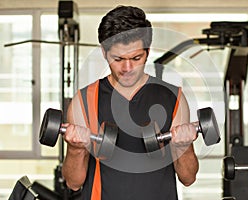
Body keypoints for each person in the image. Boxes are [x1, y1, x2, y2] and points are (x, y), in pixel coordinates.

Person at [61, 5, 199, 200]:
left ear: (148, 51)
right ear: (104, 52)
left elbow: (188, 177)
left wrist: (184, 146)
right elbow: (73, 182)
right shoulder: (83, 100)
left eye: (136, 58)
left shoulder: (172, 97)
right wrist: (76, 150)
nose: (128, 68)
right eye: (118, 59)